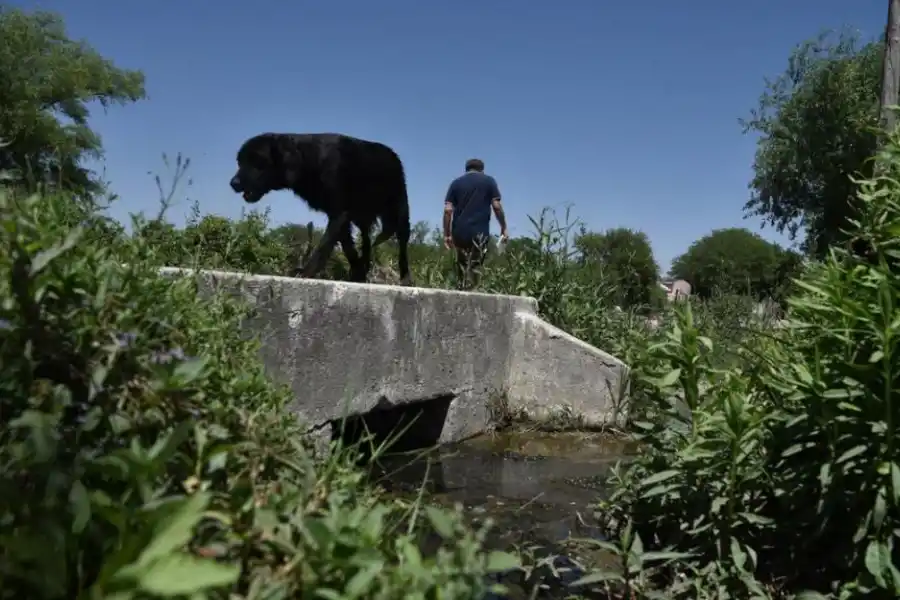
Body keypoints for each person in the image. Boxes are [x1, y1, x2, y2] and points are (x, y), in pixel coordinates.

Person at [442, 158, 509, 290]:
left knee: (461, 268)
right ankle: (473, 295)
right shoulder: (489, 181)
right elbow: (496, 206)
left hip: (459, 233)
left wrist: (447, 234)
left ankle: (460, 295)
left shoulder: (456, 183)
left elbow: (448, 210)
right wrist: (503, 227)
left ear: (466, 169)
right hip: (480, 233)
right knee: (475, 268)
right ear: (482, 170)